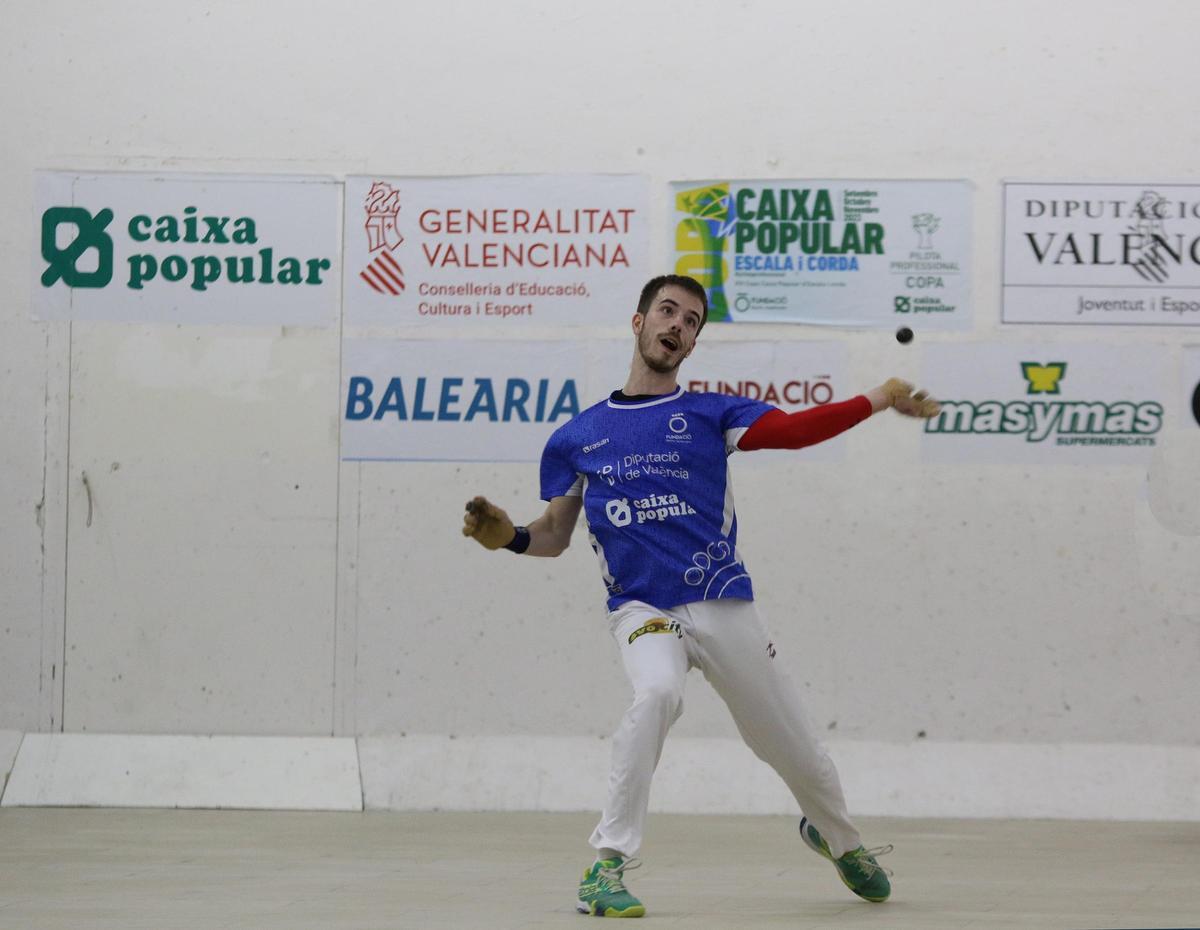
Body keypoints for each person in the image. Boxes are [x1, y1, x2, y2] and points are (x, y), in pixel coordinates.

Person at [462, 274, 940, 918]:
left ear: (693, 341)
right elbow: (552, 535)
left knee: (800, 754)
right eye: (666, 312)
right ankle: (605, 868)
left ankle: (837, 838)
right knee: (657, 692)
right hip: (641, 607)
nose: (676, 326)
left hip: (723, 600)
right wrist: (509, 539)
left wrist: (879, 396)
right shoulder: (575, 437)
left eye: (690, 321)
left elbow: (794, 432)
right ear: (638, 322)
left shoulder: (712, 413)